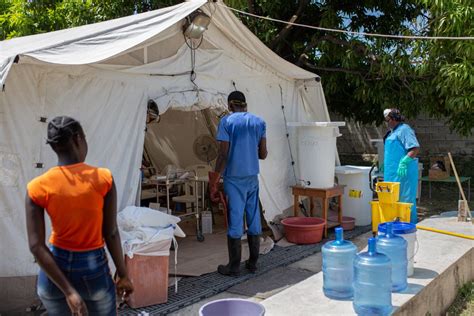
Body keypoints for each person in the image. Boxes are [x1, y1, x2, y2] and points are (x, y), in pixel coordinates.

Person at [25, 116, 133, 315]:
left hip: (52, 274)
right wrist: (124, 275)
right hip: (92, 271)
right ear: (77, 139)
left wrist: (69, 292)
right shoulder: (103, 179)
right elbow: (110, 232)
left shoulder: (37, 187)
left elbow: (36, 246)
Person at [209, 91, 268, 276]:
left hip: (233, 179)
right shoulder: (259, 122)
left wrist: (215, 178)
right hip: (252, 178)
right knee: (253, 218)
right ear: (245, 104)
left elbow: (223, 154)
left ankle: (233, 266)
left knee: (235, 219)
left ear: (229, 105)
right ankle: (253, 263)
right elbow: (263, 154)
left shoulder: (226, 122)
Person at [383, 109, 420, 223]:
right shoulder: (392, 132)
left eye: (387, 120)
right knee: (391, 199)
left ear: (393, 119)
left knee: (405, 199)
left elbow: (414, 148)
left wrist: (404, 162)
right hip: (391, 173)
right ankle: (394, 223)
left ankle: (408, 224)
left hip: (404, 173)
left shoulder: (405, 130)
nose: (387, 123)